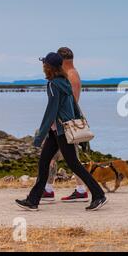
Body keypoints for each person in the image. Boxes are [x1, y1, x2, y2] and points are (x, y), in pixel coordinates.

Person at [15, 52, 107, 211]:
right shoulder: (64, 82)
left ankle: (98, 195)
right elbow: (73, 106)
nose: (43, 66)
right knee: (44, 163)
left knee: (74, 165)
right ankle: (33, 200)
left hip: (61, 131)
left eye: (44, 64)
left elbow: (51, 111)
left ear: (49, 67)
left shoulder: (53, 85)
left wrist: (39, 136)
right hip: (58, 131)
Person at [41, 47, 90, 203]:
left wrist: (52, 125)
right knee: (55, 158)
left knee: (69, 160)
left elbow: (70, 103)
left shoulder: (70, 76)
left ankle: (82, 190)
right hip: (63, 125)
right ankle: (48, 188)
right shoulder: (71, 74)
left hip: (66, 126)